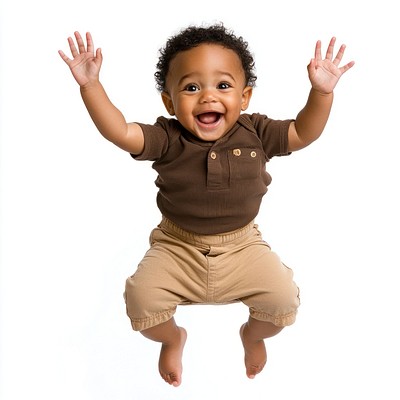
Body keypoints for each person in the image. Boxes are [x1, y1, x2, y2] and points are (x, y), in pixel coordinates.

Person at [59, 24, 354, 387]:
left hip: (242, 245)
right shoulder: (167, 138)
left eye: (223, 85)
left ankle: (253, 336)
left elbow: (302, 132)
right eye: (191, 87)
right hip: (177, 246)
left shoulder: (257, 132)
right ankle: (172, 339)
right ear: (170, 101)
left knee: (282, 303)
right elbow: (120, 131)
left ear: (245, 97)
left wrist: (321, 93)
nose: (208, 97)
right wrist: (90, 86)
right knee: (140, 301)